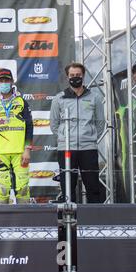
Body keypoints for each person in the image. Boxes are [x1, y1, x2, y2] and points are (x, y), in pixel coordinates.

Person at [50, 62, 105, 203]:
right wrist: (65, 138)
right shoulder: (59, 98)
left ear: (83, 76)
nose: (75, 78)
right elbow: (54, 124)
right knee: (68, 188)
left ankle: (94, 222)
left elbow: (100, 122)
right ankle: (71, 222)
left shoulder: (94, 97)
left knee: (93, 187)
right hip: (67, 149)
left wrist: (89, 137)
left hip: (88, 148)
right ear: (67, 77)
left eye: (78, 75)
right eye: (72, 75)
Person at [0, 68, 33, 204]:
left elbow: (29, 126)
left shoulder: (22, 102)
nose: (4, 82)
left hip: (20, 152)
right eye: (1, 80)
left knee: (23, 188)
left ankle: (24, 223)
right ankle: (2, 223)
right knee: (2, 189)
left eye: (6, 80)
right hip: (0, 153)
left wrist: (27, 149)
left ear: (12, 81)